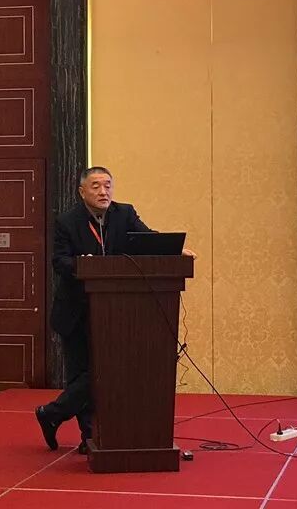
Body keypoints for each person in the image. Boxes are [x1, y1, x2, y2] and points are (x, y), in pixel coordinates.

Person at [35, 166, 195, 455]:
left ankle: (52, 414)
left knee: (104, 370)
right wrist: (83, 265)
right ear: (82, 191)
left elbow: (148, 240)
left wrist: (174, 251)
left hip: (116, 312)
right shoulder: (67, 221)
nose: (103, 191)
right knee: (84, 373)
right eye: (96, 186)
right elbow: (59, 261)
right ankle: (88, 435)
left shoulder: (125, 214)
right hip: (76, 312)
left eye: (107, 185)